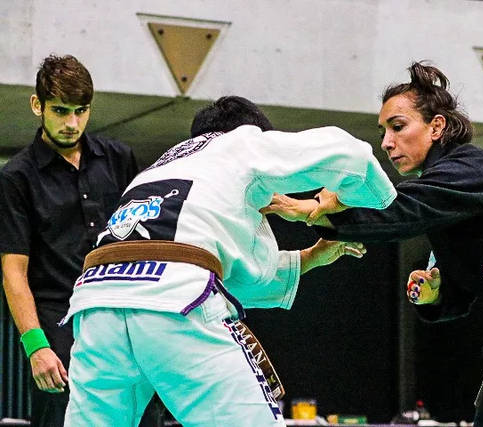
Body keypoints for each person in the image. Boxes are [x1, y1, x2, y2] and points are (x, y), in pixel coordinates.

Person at [261, 62, 483, 426]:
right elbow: (459, 297)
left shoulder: (469, 168)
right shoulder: (444, 202)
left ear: (437, 126)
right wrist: (436, 294)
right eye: (384, 132)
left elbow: (399, 211)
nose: (386, 143)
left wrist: (316, 211)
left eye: (398, 127)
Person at [60, 95, 397, 426]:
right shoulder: (241, 142)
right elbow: (350, 154)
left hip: (96, 306)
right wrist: (364, 204)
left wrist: (309, 258)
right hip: (175, 300)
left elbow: (223, 279)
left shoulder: (155, 171)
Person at [0, 54, 139, 426]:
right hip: (58, 331)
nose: (71, 123)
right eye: (60, 111)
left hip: (124, 321)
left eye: (81, 111)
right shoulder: (16, 177)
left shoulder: (119, 159)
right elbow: (13, 272)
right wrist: (36, 347)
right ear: (38, 105)